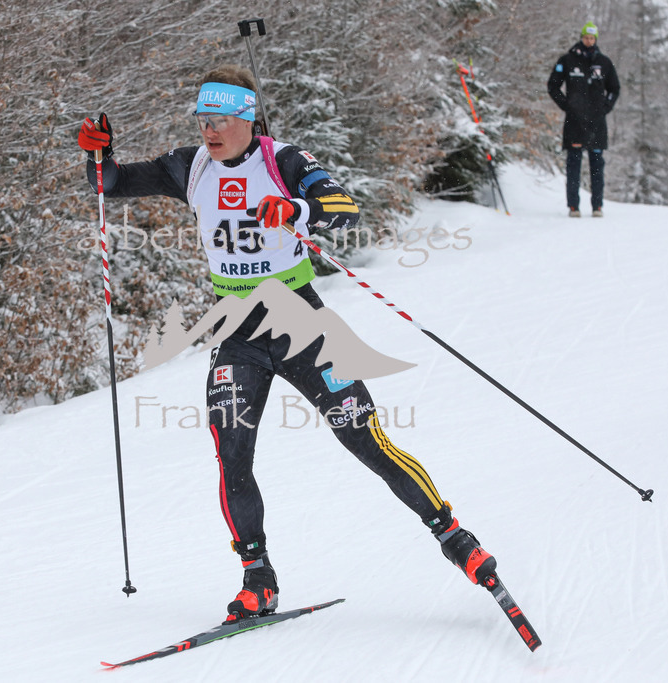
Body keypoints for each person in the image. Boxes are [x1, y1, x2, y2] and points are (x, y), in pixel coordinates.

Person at [78, 64, 496, 620]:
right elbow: (111, 186)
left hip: (300, 320)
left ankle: (456, 539)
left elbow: (344, 208)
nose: (210, 129)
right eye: (204, 117)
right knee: (232, 455)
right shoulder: (190, 166)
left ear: (247, 118)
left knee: (365, 440)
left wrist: (297, 208)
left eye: (221, 118)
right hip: (236, 329)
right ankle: (259, 577)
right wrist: (97, 156)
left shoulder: (285, 160)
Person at [547, 21, 620, 217]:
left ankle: (597, 206)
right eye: (586, 37)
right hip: (575, 121)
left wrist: (605, 107)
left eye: (592, 38)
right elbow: (553, 86)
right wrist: (566, 105)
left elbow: (615, 88)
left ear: (596, 39)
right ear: (581, 37)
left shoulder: (604, 63)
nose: (589, 41)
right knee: (574, 164)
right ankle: (573, 206)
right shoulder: (567, 60)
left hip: (597, 121)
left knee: (597, 164)